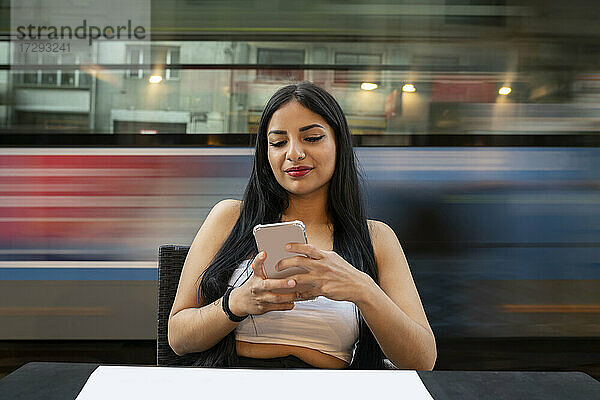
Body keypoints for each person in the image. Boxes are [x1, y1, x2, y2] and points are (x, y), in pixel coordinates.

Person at [168, 81, 436, 370]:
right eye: (278, 142)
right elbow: (178, 337)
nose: (294, 153)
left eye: (312, 138)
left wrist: (361, 288)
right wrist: (237, 302)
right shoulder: (230, 217)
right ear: (265, 153)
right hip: (235, 380)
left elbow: (422, 360)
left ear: (338, 144)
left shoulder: (376, 238)